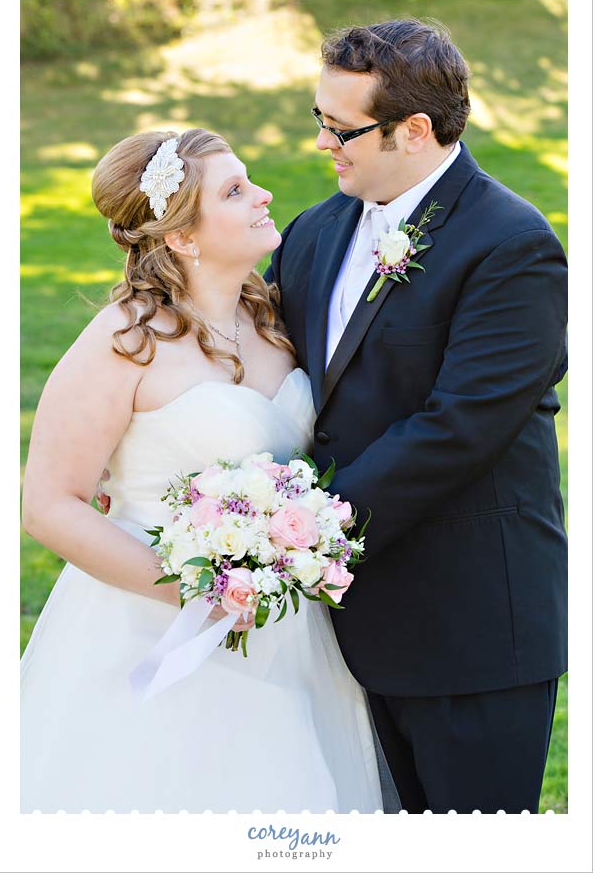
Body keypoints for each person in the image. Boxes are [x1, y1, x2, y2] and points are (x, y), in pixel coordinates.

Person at [20, 128, 388, 813]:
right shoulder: (126, 338)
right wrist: (201, 593)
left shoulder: (276, 319)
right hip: (149, 622)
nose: (264, 194)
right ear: (183, 236)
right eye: (235, 190)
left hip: (287, 628)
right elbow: (48, 503)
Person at [265, 19, 568, 813]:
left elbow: (459, 428)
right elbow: (255, 365)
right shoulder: (313, 232)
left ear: (416, 130)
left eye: (342, 129)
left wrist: (305, 532)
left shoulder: (512, 245)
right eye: (319, 118)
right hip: (337, 636)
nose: (322, 143)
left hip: (469, 630)